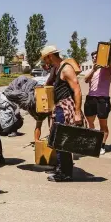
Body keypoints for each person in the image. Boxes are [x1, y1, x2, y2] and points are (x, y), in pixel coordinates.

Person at [40, 45, 83, 182]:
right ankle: (62, 169)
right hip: (59, 107)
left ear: (50, 56)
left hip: (65, 108)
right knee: (59, 140)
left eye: (45, 58)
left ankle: (64, 173)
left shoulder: (66, 68)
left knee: (62, 140)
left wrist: (77, 113)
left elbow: (77, 90)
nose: (45, 62)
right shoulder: (57, 68)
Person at [84, 42, 111, 155]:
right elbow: (86, 80)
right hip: (91, 98)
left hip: (103, 99)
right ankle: (94, 141)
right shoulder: (90, 71)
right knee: (90, 123)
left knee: (103, 124)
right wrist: (93, 69)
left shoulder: (109, 69)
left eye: (97, 56)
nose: (95, 58)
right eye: (93, 57)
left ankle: (101, 145)